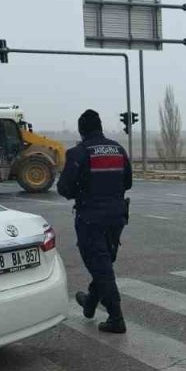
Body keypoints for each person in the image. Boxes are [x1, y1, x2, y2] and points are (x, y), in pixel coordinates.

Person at [57, 110, 133, 333]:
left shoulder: (78, 153)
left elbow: (64, 188)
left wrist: (82, 190)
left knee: (99, 265)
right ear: (100, 127)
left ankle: (116, 317)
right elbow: (128, 183)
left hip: (91, 218)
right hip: (117, 217)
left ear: (81, 131)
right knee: (104, 263)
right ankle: (90, 302)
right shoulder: (118, 149)